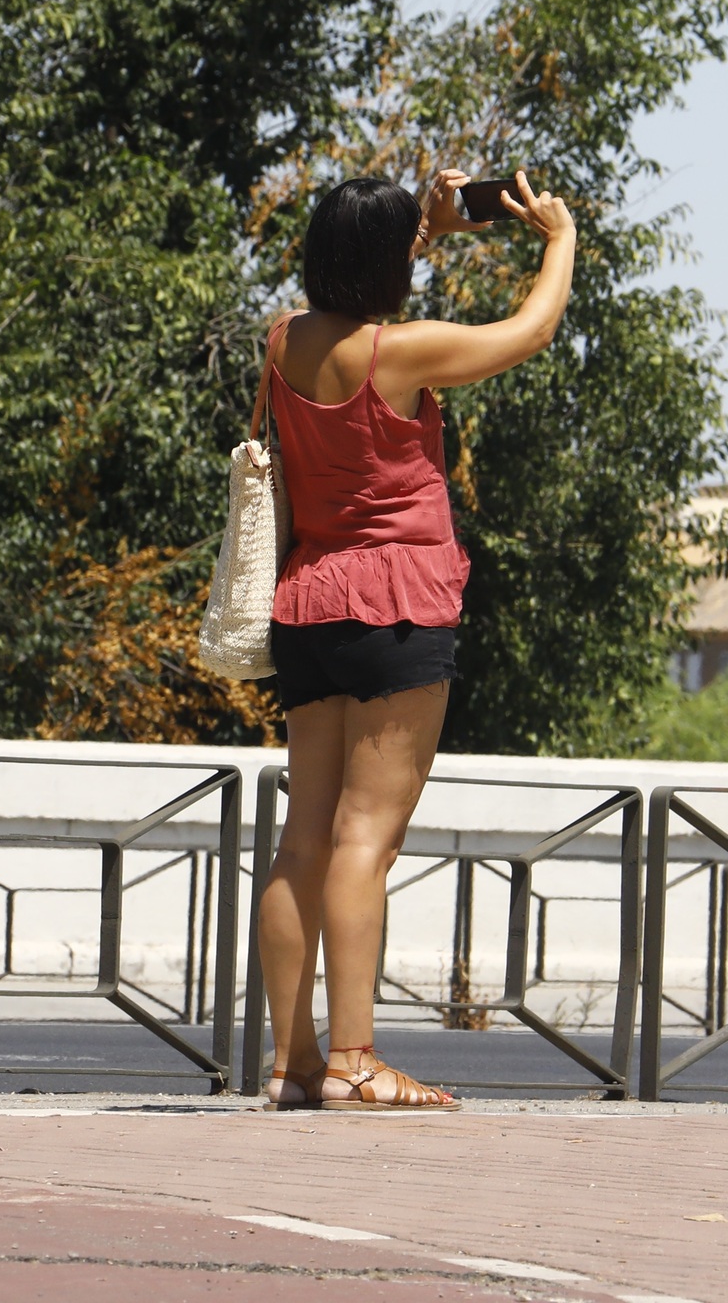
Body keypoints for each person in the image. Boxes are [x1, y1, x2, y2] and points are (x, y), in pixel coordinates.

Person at [253, 167, 576, 1111]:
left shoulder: (283, 340)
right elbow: (530, 331)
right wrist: (558, 238)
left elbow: (353, 307)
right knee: (366, 841)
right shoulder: (402, 354)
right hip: (396, 602)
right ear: (387, 262)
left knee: (302, 846)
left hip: (309, 602)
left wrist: (420, 234)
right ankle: (356, 1059)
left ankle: (294, 1063)